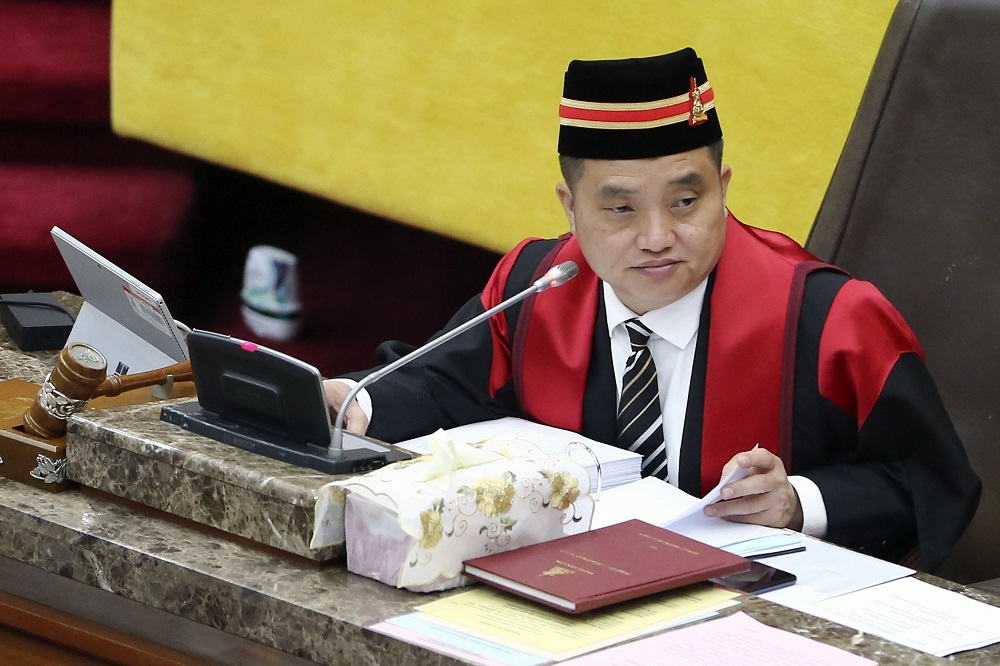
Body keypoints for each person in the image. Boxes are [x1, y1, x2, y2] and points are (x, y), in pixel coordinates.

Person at [324, 47, 981, 572]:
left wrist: (795, 501)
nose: (658, 235)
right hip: (561, 593)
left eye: (686, 202)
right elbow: (444, 384)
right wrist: (356, 403)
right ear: (569, 207)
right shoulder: (535, 284)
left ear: (723, 189)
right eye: (620, 209)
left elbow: (929, 480)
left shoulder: (830, 318)